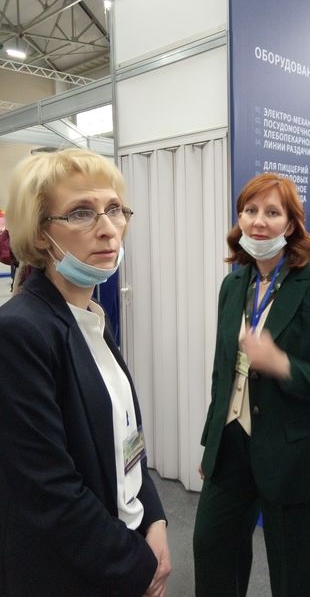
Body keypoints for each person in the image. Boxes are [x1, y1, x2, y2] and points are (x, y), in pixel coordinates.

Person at [0, 148, 171, 597]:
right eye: (81, 213)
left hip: (119, 544)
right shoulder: (20, 331)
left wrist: (153, 518)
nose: (108, 227)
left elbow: (126, 437)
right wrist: (140, 567)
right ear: (41, 234)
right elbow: (48, 491)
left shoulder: (89, 317)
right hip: (73, 573)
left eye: (114, 209)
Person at [193, 172, 310, 597]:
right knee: (211, 552)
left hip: (293, 452)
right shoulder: (234, 284)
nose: (258, 221)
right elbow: (222, 371)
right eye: (250, 210)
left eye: (272, 212)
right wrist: (211, 443)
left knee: (293, 577)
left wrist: (282, 365)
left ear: (291, 224)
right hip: (231, 445)